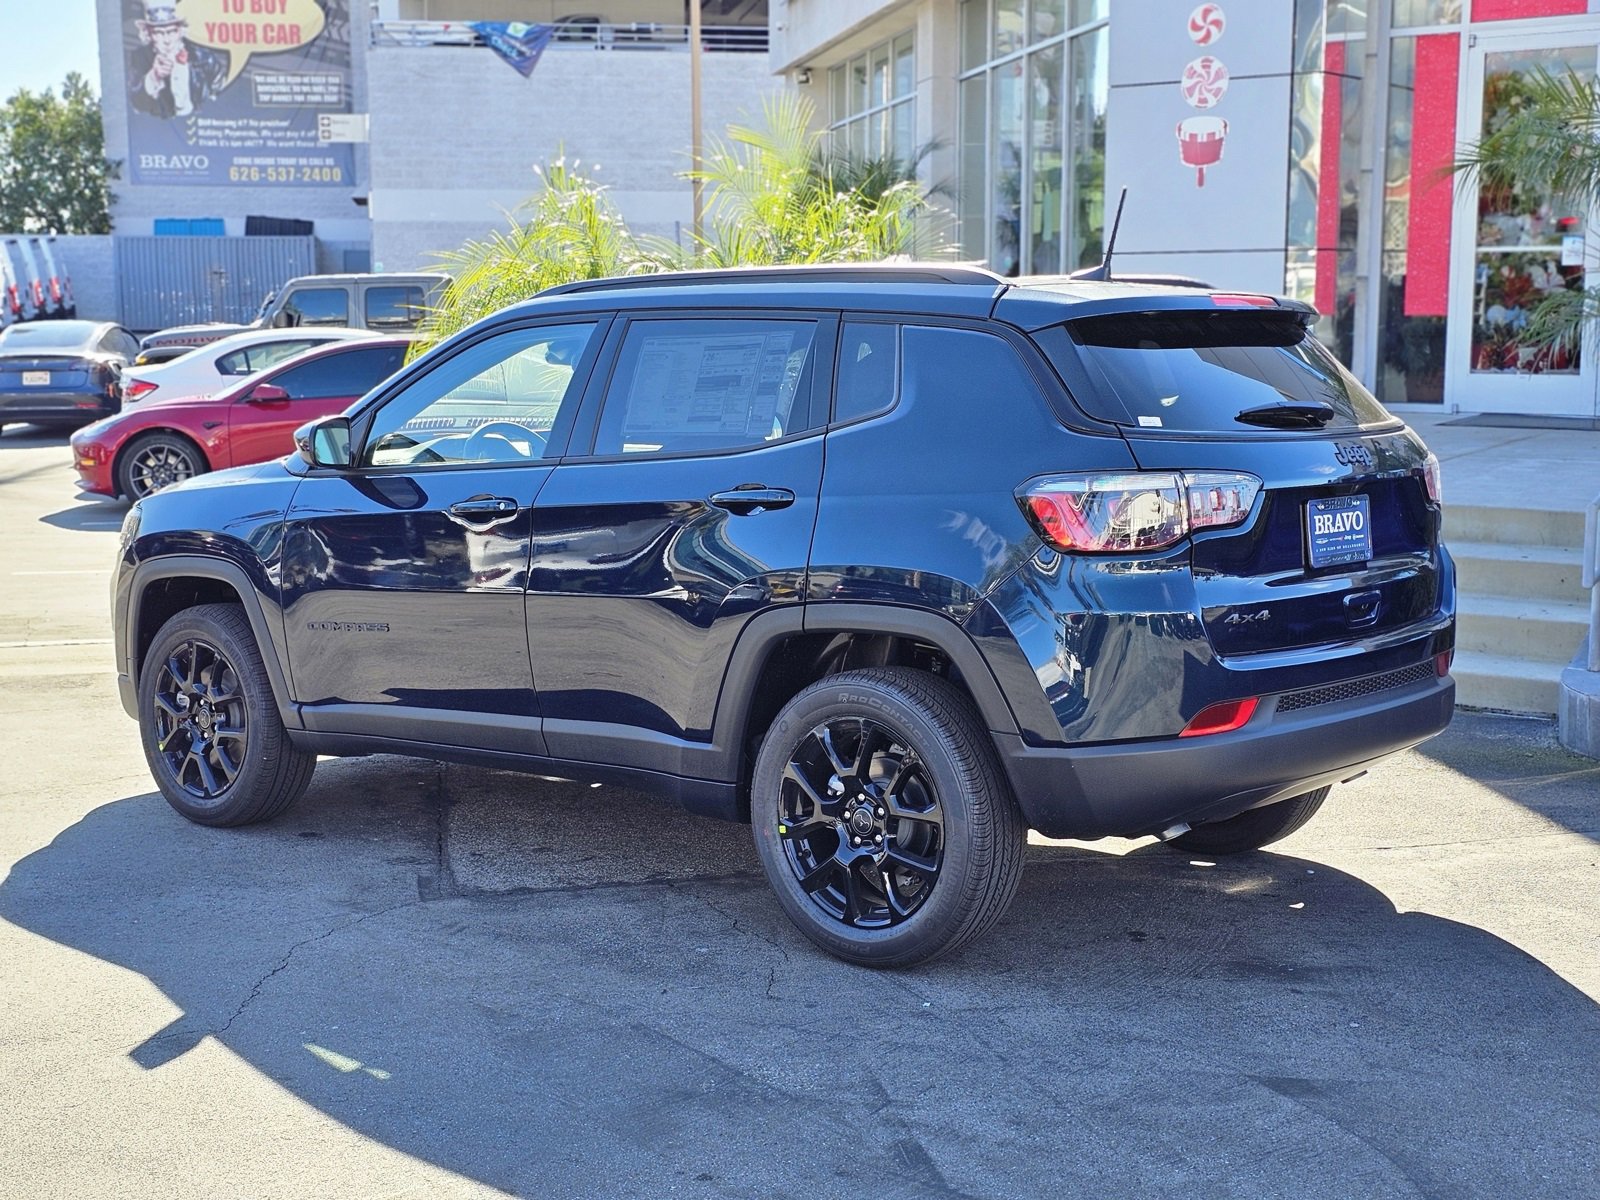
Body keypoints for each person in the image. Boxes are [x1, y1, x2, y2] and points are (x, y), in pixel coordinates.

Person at [128, 2, 230, 119]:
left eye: (171, 31)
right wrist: (153, 77)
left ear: (180, 31)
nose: (167, 40)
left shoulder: (205, 58)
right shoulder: (138, 58)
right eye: (159, 33)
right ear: (149, 35)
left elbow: (222, 99)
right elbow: (134, 103)